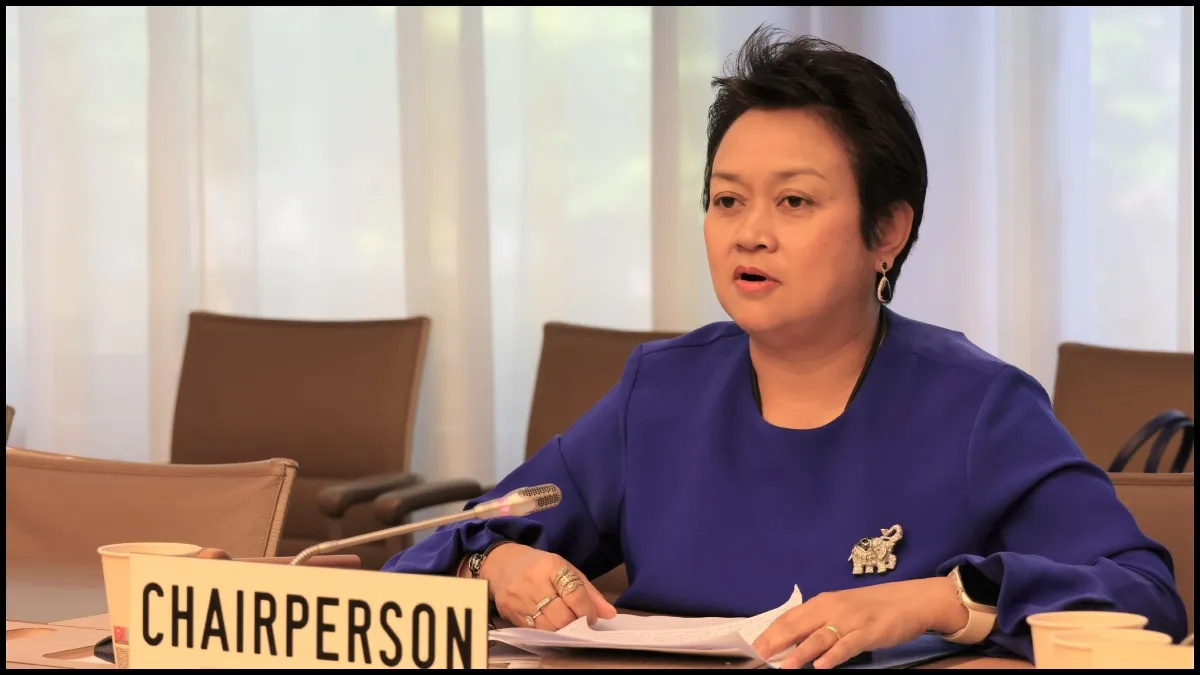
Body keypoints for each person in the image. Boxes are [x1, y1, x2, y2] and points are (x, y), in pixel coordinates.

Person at [382, 26, 1188, 668]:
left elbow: (1144, 595)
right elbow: (444, 548)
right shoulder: (659, 391)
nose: (750, 233)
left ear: (887, 231)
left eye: (794, 201)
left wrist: (939, 601)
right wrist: (492, 567)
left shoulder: (977, 405)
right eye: (727, 200)